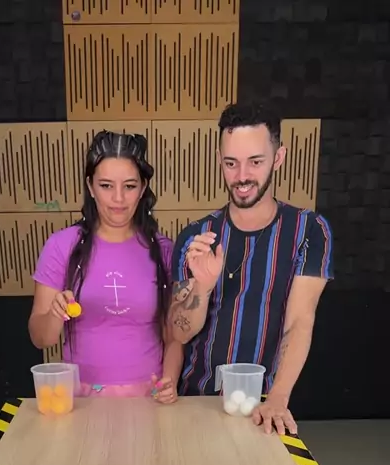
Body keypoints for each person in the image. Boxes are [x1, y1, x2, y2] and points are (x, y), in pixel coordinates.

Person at [169, 101, 333, 434]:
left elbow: (299, 322)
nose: (242, 176)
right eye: (231, 163)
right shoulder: (196, 236)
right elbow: (179, 332)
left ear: (278, 157)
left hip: (263, 405)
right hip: (195, 402)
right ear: (219, 160)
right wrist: (202, 286)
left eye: (255, 162)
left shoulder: (308, 230)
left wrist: (278, 398)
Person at [29, 131, 182, 403]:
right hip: (81, 399)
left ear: (143, 188)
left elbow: (173, 336)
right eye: (106, 185)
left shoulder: (164, 250)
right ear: (90, 187)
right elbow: (41, 338)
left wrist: (169, 380)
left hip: (149, 396)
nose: (118, 198)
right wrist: (54, 315)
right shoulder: (61, 246)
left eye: (130, 186)